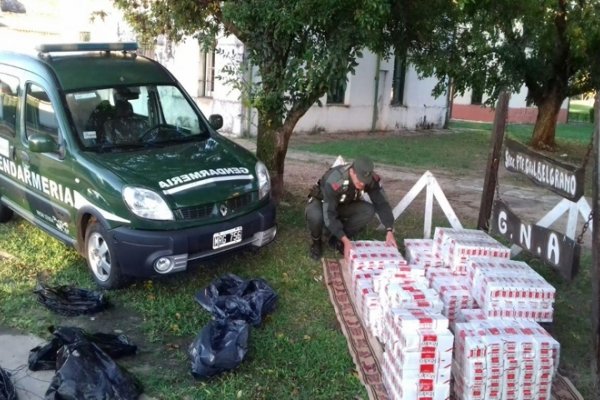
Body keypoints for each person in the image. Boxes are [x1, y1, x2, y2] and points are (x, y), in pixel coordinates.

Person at [305, 156, 398, 260]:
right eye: (360, 180)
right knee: (315, 216)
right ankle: (317, 243)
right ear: (352, 172)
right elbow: (329, 213)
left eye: (365, 181)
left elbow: (382, 203)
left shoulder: (370, 179)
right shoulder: (336, 179)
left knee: (367, 210)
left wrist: (389, 230)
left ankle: (337, 239)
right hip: (322, 202)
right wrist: (345, 239)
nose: (362, 184)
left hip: (343, 204)